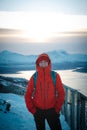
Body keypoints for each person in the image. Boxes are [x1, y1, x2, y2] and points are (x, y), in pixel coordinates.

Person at [25, 53, 65, 130]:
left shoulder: (55, 76)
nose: (43, 63)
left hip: (52, 110)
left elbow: (61, 93)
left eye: (45, 61)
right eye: (41, 62)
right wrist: (32, 110)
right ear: (38, 63)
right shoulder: (34, 77)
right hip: (38, 111)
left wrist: (57, 109)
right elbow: (28, 94)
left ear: (48, 63)